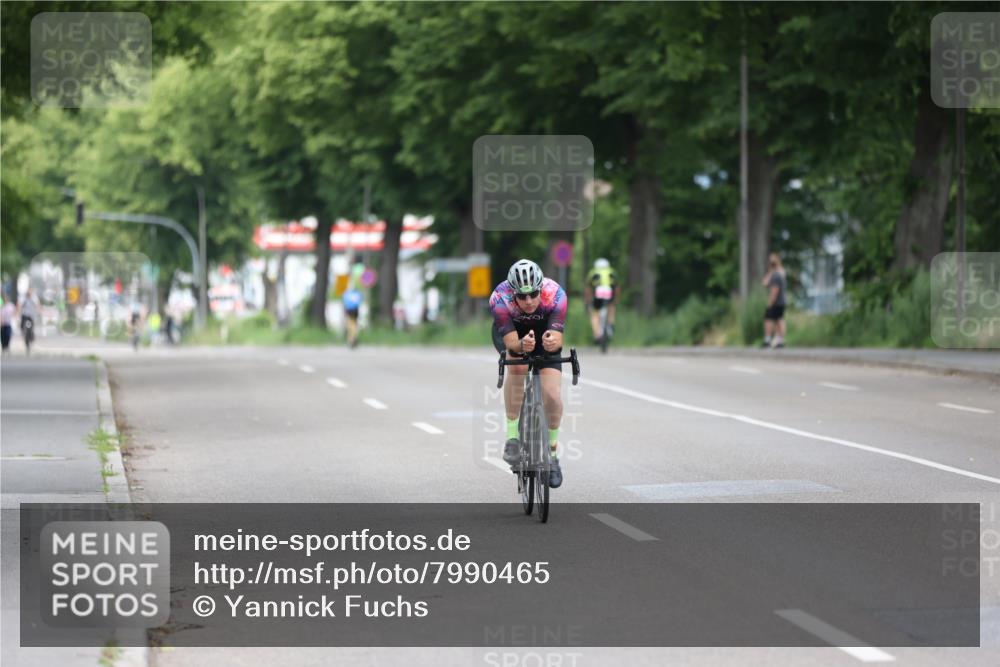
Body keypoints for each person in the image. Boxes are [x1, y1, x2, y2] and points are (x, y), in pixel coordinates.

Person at [490, 259, 568, 488]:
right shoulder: (499, 299)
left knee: (552, 395)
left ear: (540, 289)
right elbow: (511, 342)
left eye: (533, 294)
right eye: (521, 296)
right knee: (518, 366)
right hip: (512, 334)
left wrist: (552, 341)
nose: (528, 301)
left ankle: (552, 456)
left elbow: (558, 337)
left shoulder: (555, 295)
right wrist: (521, 345)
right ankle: (512, 438)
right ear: (512, 292)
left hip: (545, 333)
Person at [586, 258, 618, 344]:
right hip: (609, 293)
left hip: (598, 294)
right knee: (611, 307)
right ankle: (611, 323)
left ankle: (597, 334)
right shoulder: (611, 272)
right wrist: (616, 299)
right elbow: (616, 287)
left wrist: (588, 300)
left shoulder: (593, 272)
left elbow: (589, 288)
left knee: (595, 314)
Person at [762, 252, 787, 348]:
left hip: (777, 301)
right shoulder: (776, 272)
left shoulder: (778, 273)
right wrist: (771, 271)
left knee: (770, 319)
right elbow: (765, 283)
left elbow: (775, 289)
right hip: (780, 301)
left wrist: (771, 301)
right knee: (778, 320)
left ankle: (770, 340)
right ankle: (779, 340)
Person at [18, 288, 39, 353]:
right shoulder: (23, 298)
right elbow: (19, 305)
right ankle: (24, 334)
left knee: (31, 328)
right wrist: (17, 313)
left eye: (30, 293)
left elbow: (37, 305)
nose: (29, 294)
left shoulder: (34, 298)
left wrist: (39, 311)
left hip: (31, 316)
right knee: (22, 327)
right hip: (24, 315)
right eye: (28, 293)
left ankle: (32, 336)